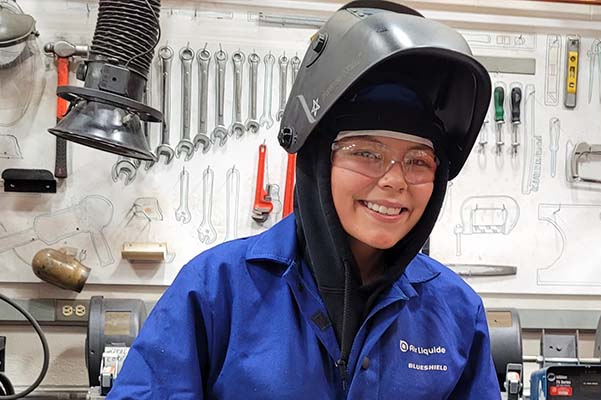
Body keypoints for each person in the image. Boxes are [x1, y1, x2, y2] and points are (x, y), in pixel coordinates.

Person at [107, 0, 499, 398]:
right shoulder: (216, 289)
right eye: (367, 152)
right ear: (317, 161)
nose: (395, 180)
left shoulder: (456, 311)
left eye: (419, 160)